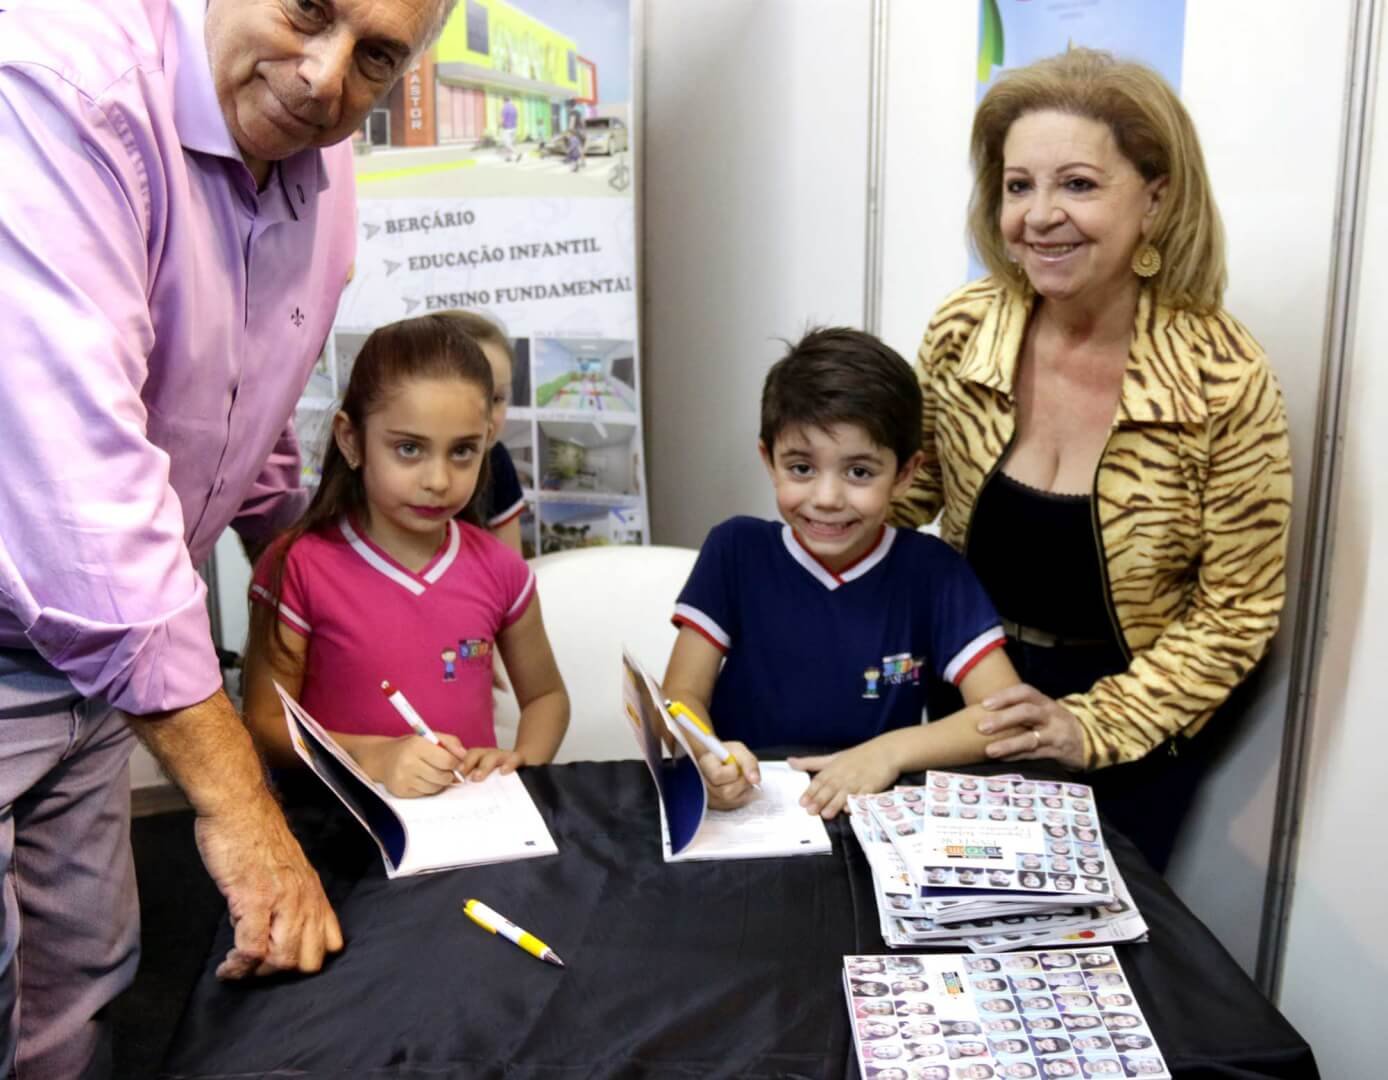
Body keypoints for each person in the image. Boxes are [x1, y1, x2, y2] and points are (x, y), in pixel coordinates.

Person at [0, 0, 454, 1073]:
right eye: (309, 10)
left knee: (83, 978)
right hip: (62, 615)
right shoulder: (61, 94)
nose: (324, 80)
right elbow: (79, 495)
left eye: (375, 58)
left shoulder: (316, 158)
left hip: (105, 670)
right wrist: (243, 813)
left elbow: (248, 392)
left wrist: (315, 551)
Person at [889, 47, 1292, 870]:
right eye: (1018, 186)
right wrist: (805, 510)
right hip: (970, 686)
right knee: (944, 914)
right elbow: (907, 494)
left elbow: (1238, 610)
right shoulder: (964, 329)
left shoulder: (1222, 375)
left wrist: (1090, 726)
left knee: (1094, 934)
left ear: (1156, 198)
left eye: (1077, 184)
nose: (1039, 216)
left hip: (1134, 720)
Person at [661, 329, 1027, 819]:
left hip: (869, 814)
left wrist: (889, 752)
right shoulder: (735, 550)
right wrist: (707, 754)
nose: (827, 498)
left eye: (859, 472)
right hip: (747, 810)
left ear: (905, 473)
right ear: (768, 460)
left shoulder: (934, 572)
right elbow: (680, 695)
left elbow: (1004, 716)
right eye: (801, 468)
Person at [242, 314, 568, 795]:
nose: (438, 480)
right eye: (410, 449)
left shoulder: (503, 570)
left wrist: (519, 760)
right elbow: (265, 724)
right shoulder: (297, 567)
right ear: (351, 440)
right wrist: (372, 757)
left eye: (463, 451)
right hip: (338, 824)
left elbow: (546, 697)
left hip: (470, 824)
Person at [448, 312, 527, 555]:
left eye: (497, 398)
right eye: (468, 398)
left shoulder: (496, 460)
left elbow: (512, 564)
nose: (487, 416)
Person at [499, 95, 520, 162]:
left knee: (507, 143)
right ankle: (509, 157)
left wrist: (500, 125)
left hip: (507, 128)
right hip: (514, 128)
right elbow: (516, 117)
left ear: (504, 100)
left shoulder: (505, 108)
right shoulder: (514, 107)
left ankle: (517, 153)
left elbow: (502, 119)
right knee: (510, 143)